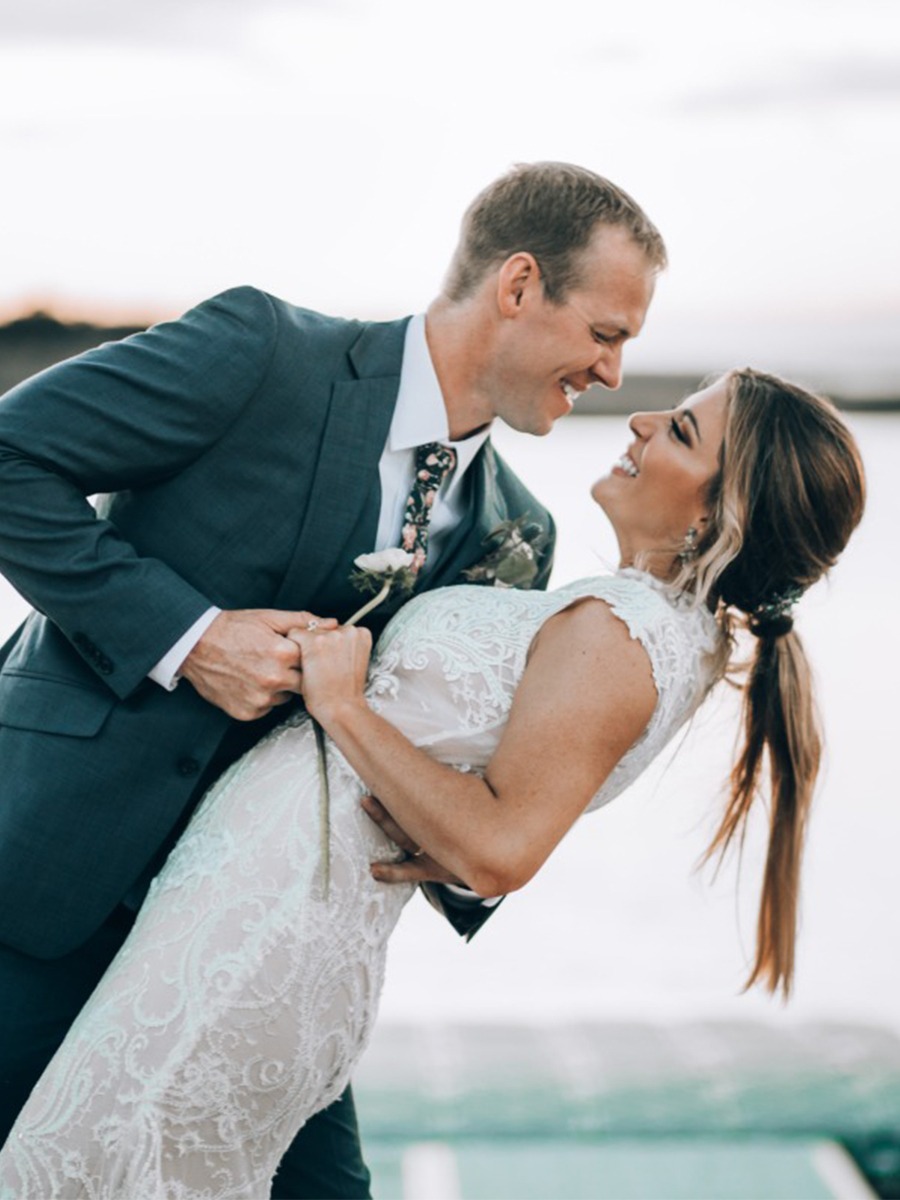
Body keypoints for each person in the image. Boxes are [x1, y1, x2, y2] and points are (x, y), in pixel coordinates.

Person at [0, 368, 864, 1199]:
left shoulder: (621, 629)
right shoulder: (670, 631)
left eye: (680, 430)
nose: (638, 418)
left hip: (258, 938)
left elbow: (497, 850)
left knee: (95, 1163)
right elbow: (503, 781)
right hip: (251, 919)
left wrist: (345, 705)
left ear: (723, 514)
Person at [0, 162, 664, 1197]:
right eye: (607, 333)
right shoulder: (264, 354)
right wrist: (190, 635)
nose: (614, 375)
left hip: (259, 948)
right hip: (52, 872)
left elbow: (450, 762)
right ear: (521, 284)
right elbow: (10, 458)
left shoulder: (517, 534)